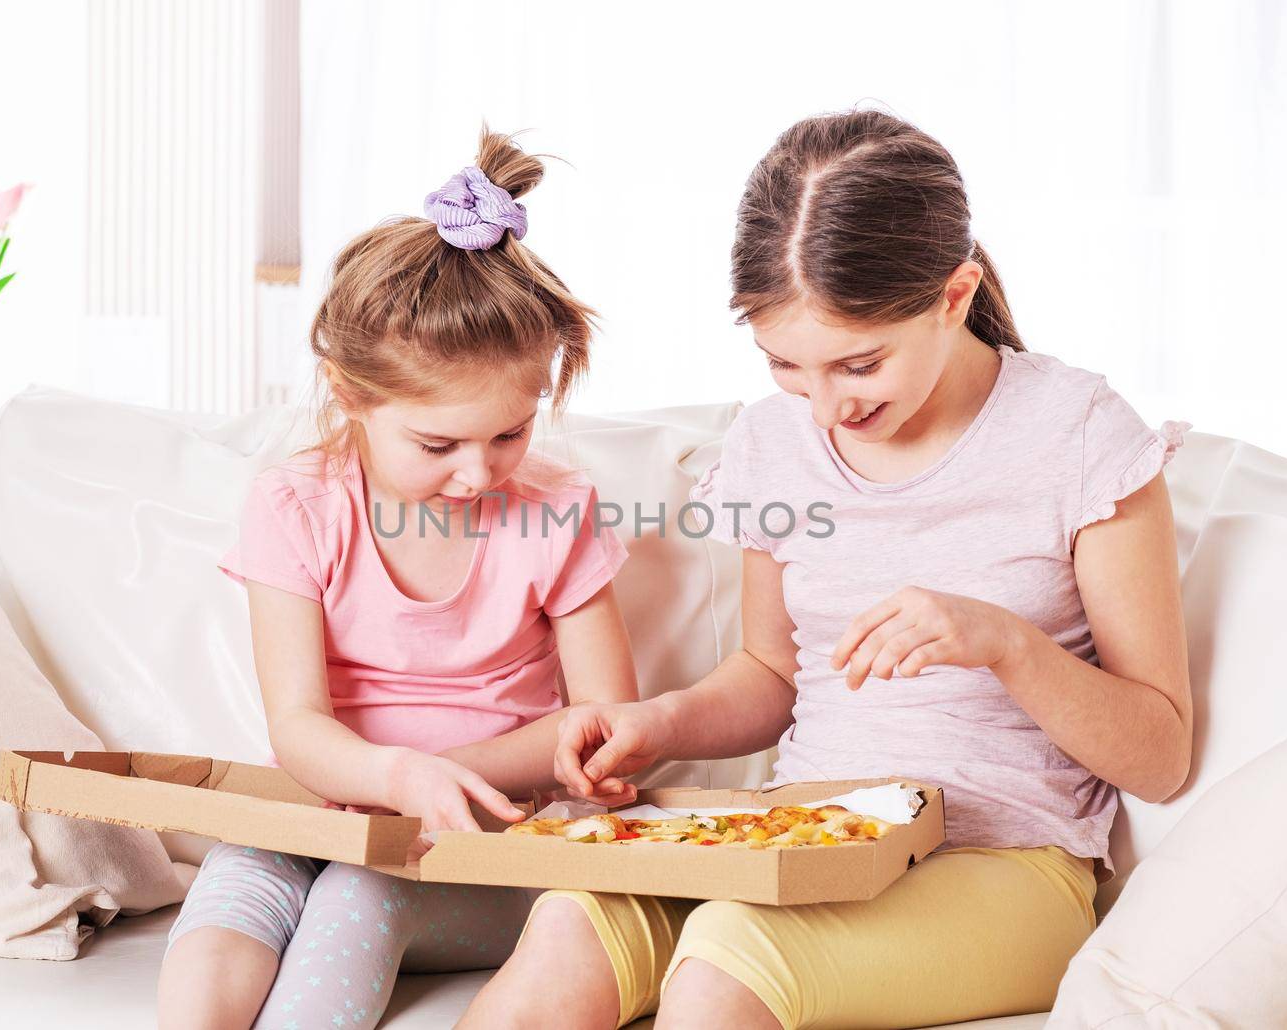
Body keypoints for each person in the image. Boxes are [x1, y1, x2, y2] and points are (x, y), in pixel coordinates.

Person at [464, 109, 1194, 1030]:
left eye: (859, 365)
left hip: (1005, 867)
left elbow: (1160, 757)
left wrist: (1004, 643)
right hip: (801, 836)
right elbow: (772, 675)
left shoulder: (1082, 436)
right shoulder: (771, 442)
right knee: (572, 926)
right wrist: (657, 723)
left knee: (731, 959)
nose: (824, 408)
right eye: (787, 367)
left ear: (954, 294)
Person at [157, 128, 640, 1030]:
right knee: (234, 892)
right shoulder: (297, 506)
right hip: (325, 805)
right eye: (437, 444)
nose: (478, 474)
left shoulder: (559, 512)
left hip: (488, 842)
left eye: (509, 434)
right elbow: (298, 726)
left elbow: (605, 730)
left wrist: (437, 781)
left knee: (355, 896)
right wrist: (392, 776)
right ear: (350, 394)